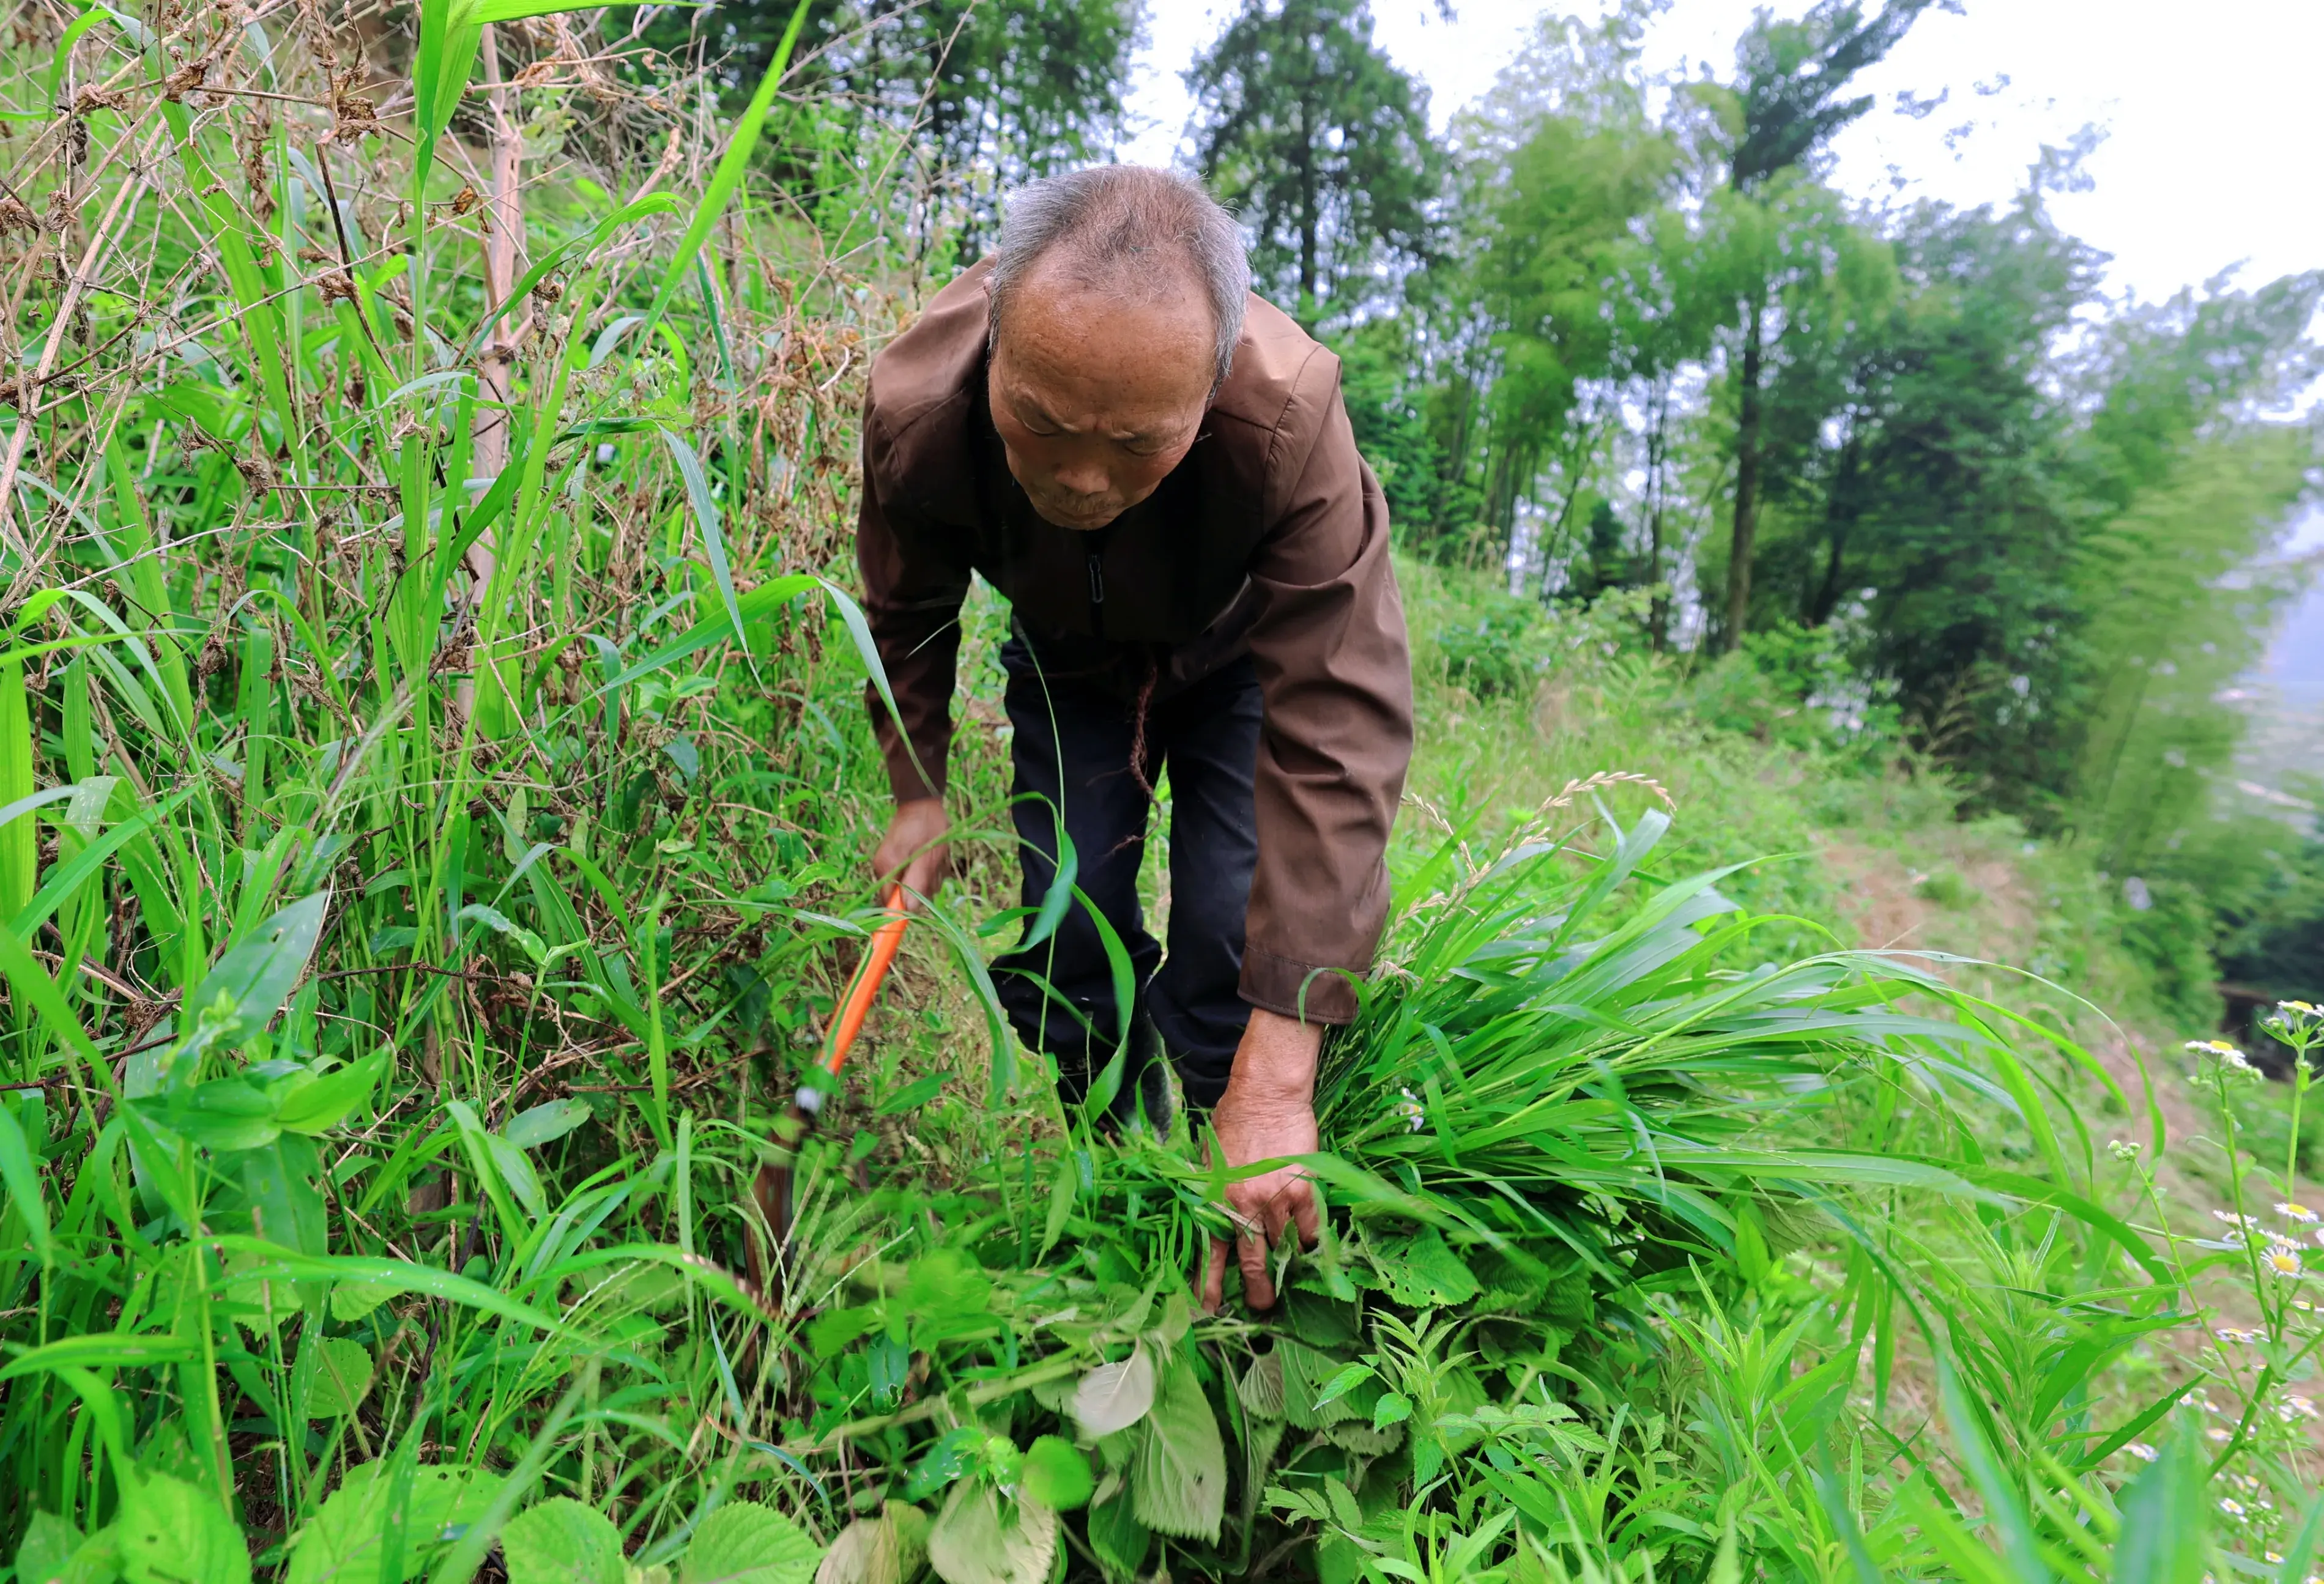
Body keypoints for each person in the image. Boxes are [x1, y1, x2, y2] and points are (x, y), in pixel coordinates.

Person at [853, 165, 1414, 1311]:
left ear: (1207, 395)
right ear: (998, 334)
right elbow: (905, 607)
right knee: (1066, 943)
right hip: (1067, 662)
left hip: (1240, 664)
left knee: (1229, 946)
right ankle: (1110, 1180)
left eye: (1137, 444)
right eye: (1042, 423)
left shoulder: (1290, 410)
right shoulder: (920, 405)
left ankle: (1247, 1188)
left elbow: (1341, 717)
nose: (1080, 479)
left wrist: (1284, 1049)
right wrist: (917, 789)